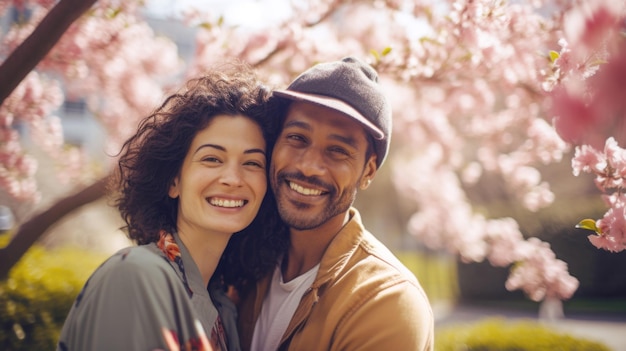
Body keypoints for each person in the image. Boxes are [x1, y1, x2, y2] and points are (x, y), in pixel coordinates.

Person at [57, 64, 285, 351]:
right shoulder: (136, 276)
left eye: (252, 163)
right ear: (173, 181)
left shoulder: (222, 308)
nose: (232, 179)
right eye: (212, 159)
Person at [237, 57, 435, 351]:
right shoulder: (244, 260)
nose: (309, 166)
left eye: (338, 151)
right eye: (297, 138)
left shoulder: (386, 300)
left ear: (367, 172)